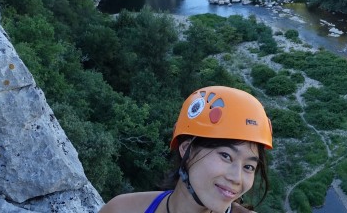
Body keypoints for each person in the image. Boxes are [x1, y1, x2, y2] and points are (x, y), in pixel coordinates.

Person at [99, 86, 273, 213]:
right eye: (226, 156)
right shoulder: (122, 209)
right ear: (186, 149)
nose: (237, 178)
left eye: (249, 167)